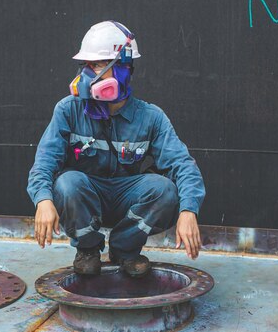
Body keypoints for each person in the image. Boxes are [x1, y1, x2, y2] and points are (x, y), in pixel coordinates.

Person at [27, 21, 205, 277]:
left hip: (126, 198)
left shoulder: (150, 117)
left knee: (164, 189)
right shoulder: (69, 109)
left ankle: (124, 249)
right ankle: (87, 250)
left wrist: (188, 211)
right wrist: (43, 200)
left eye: (98, 65)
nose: (88, 75)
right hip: (86, 197)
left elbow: (182, 164)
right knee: (67, 183)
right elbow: (44, 163)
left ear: (122, 69)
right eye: (86, 66)